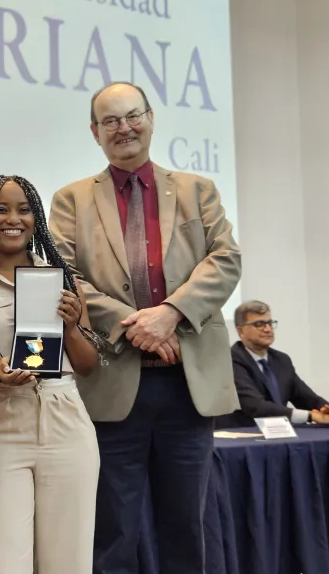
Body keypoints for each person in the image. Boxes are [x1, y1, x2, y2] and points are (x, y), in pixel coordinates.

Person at [48, 82, 242, 574]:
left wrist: (171, 313)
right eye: (110, 121)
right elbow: (64, 277)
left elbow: (225, 259)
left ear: (151, 119)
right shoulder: (70, 200)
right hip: (113, 383)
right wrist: (138, 325)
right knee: (112, 530)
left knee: (185, 528)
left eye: (132, 116)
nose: (124, 128)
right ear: (95, 133)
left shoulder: (199, 190)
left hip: (188, 383)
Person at [0, 175, 102, 574]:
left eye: (24, 209)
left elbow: (88, 365)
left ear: (37, 219)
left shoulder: (64, 283)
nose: (14, 218)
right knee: (0, 562)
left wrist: (71, 325)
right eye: (1, 209)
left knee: (69, 561)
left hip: (66, 422)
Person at [215, 300, 329, 429]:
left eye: (269, 323)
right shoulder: (230, 360)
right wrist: (310, 416)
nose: (267, 329)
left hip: (279, 434)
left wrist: (325, 410)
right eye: (259, 324)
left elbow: (304, 396)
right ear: (241, 331)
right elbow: (255, 406)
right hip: (242, 436)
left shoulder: (281, 359)